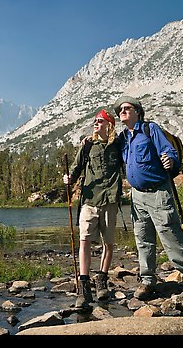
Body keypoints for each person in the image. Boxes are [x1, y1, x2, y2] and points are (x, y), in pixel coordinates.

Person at [112, 95, 183, 300]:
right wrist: (90, 139)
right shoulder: (123, 138)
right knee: (142, 238)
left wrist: (170, 160)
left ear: (137, 111)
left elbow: (169, 152)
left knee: (170, 234)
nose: (121, 112)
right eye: (119, 111)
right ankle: (147, 281)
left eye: (126, 108)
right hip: (136, 196)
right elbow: (105, 150)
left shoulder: (150, 129)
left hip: (159, 191)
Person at [63, 109, 124, 308]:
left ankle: (102, 280)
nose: (95, 123)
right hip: (89, 201)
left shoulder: (119, 145)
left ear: (109, 125)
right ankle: (84, 286)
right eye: (95, 121)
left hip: (111, 201)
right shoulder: (88, 145)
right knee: (84, 241)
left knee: (108, 244)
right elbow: (76, 167)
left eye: (99, 121)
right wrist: (69, 179)